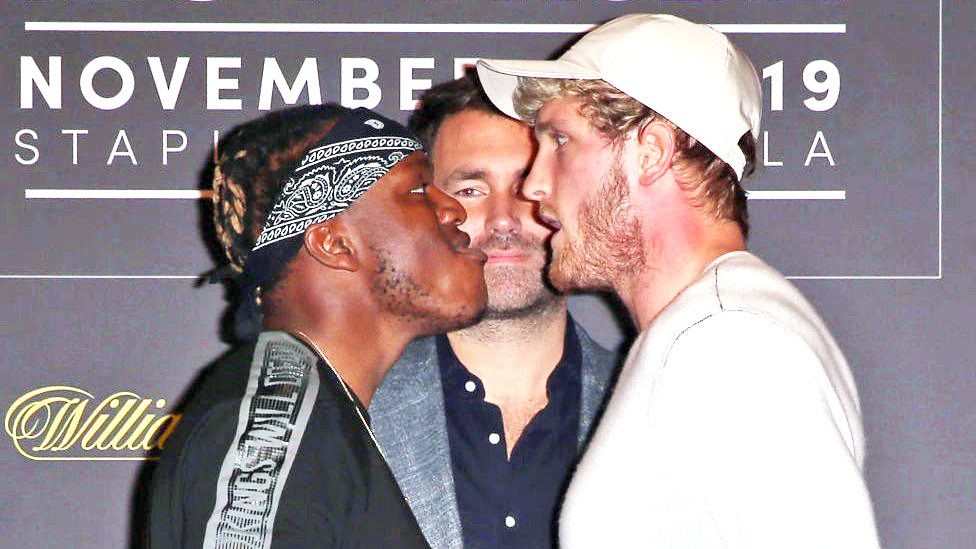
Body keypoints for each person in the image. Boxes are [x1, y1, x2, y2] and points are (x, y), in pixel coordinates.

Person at [476, 13, 881, 548]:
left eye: (560, 140)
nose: (534, 184)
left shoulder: (728, 340)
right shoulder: (705, 329)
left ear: (652, 151)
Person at [148, 105, 489, 548]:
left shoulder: (312, 412)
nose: (454, 210)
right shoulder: (273, 424)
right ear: (335, 243)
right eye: (419, 189)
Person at [368, 72, 616, 549]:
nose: (503, 219)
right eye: (471, 190)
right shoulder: (349, 411)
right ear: (427, 210)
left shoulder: (650, 408)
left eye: (529, 187)